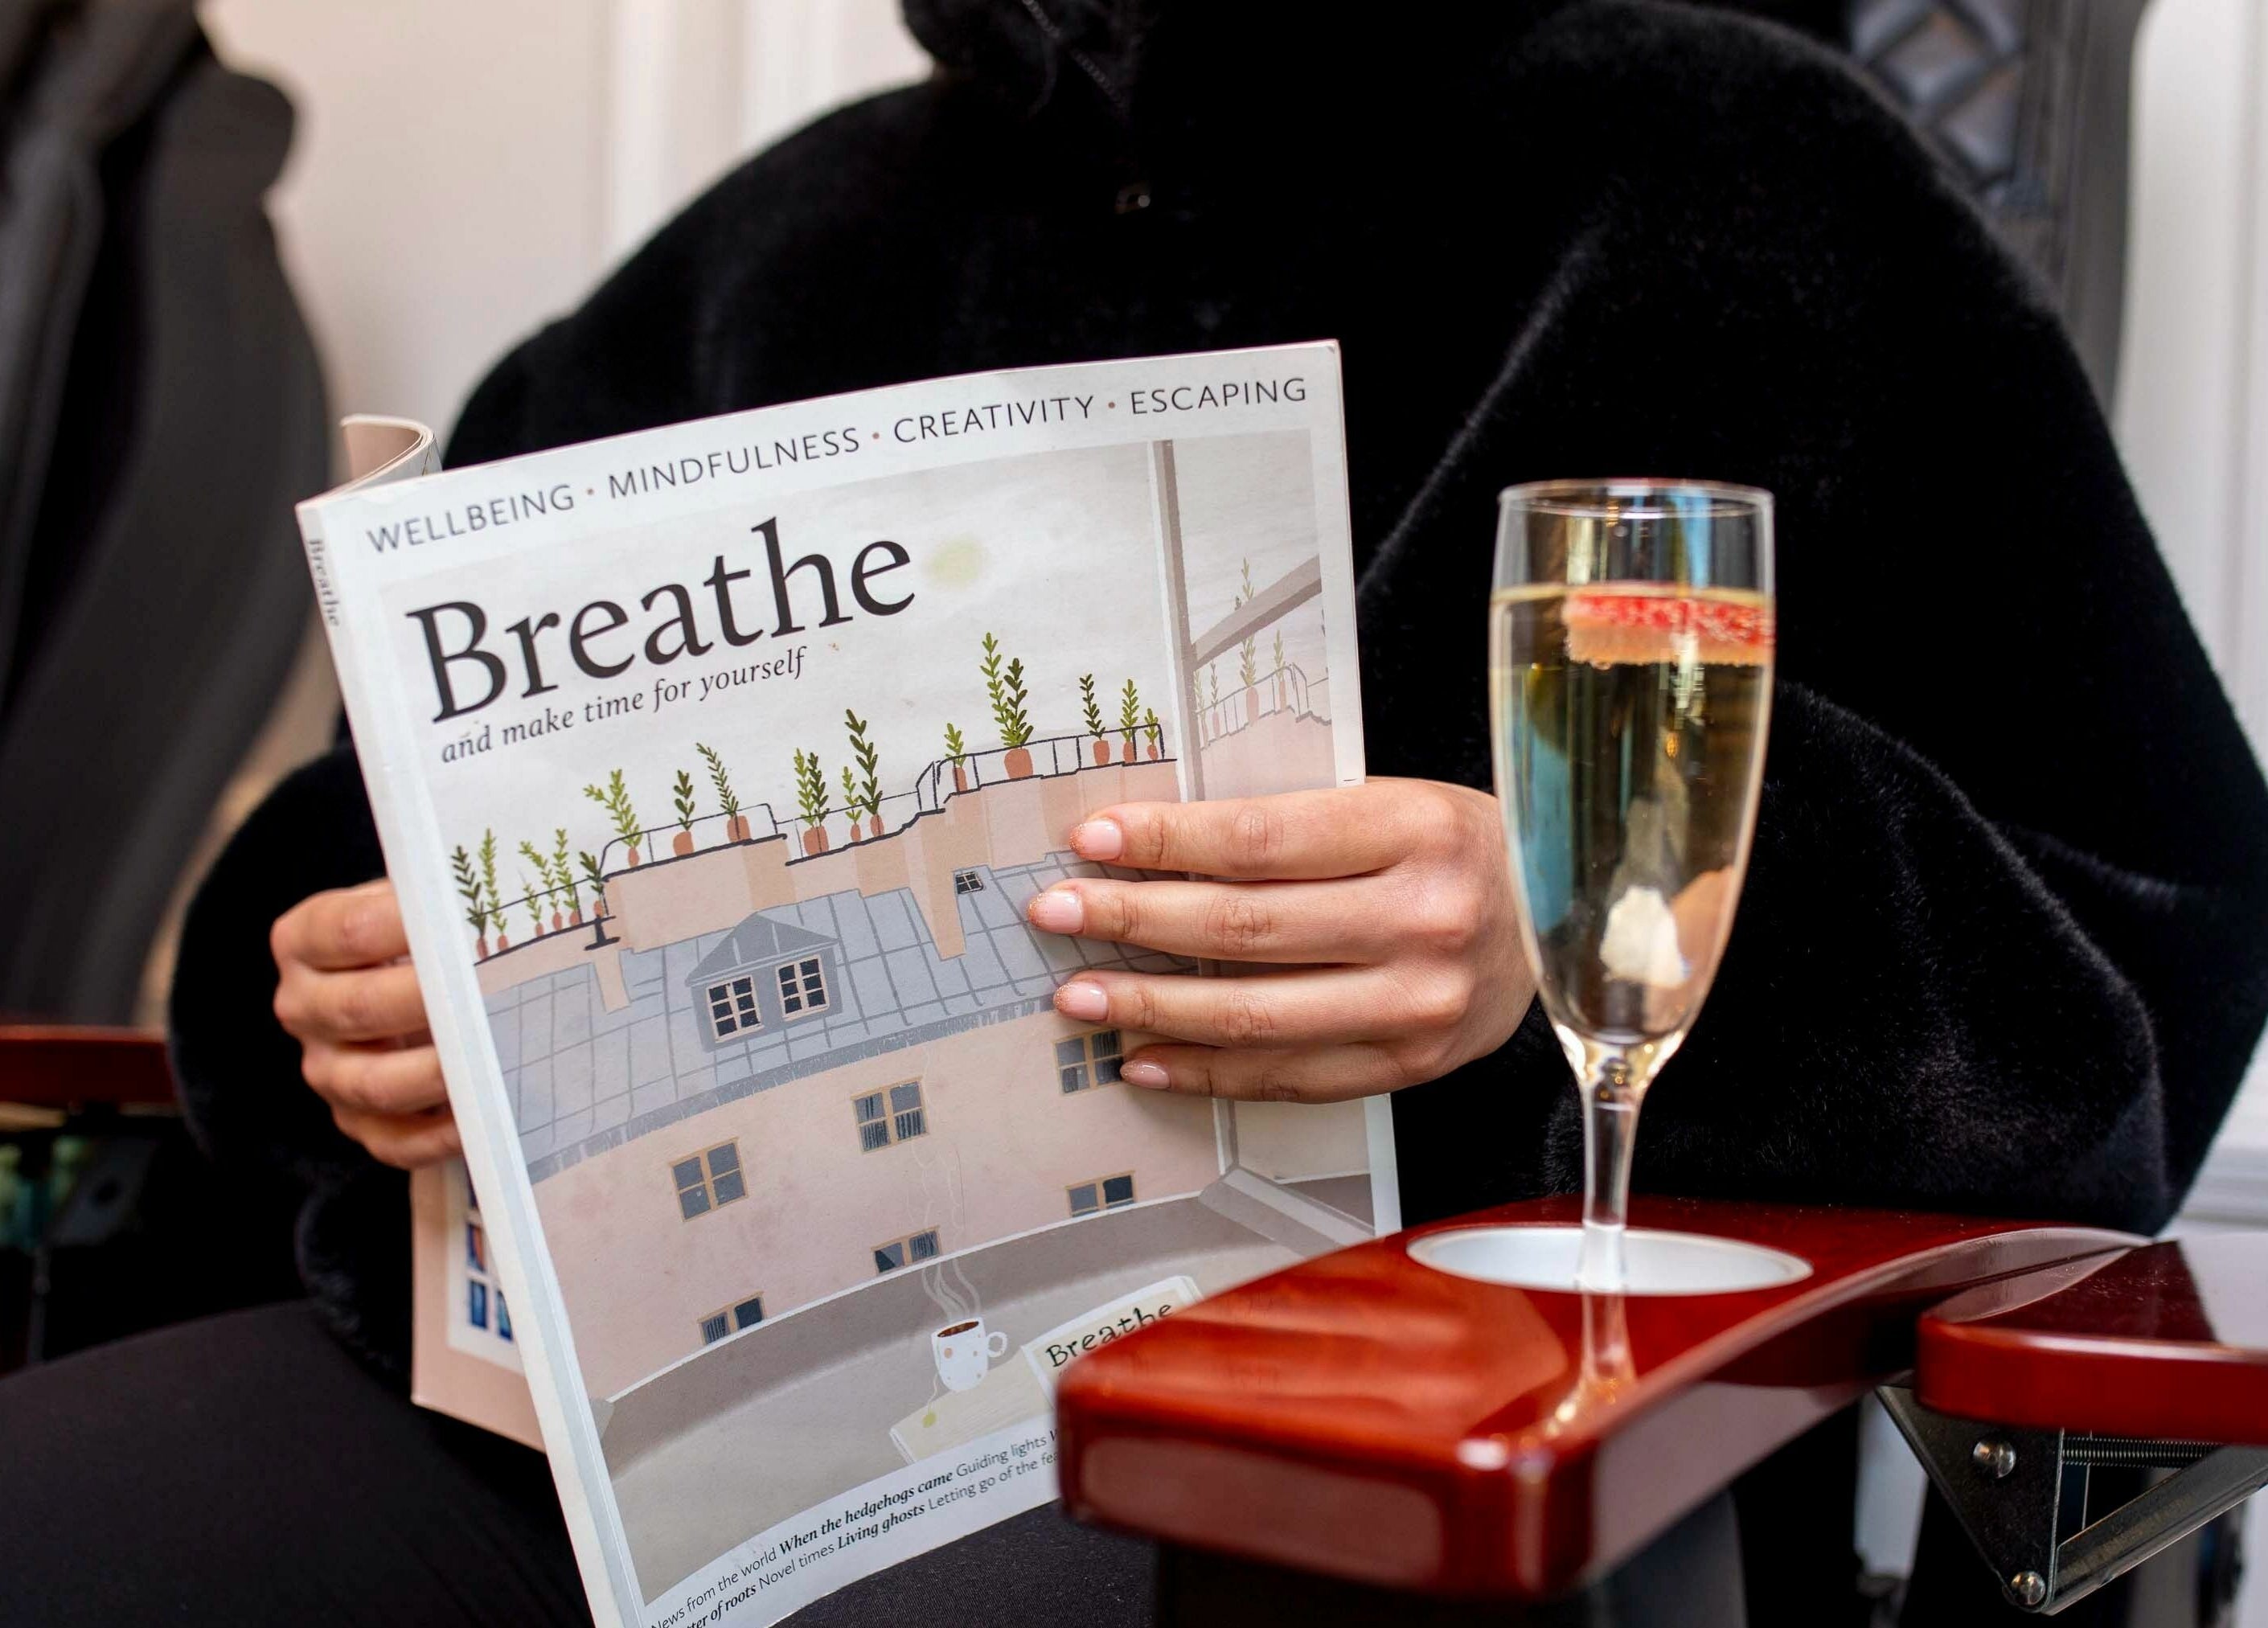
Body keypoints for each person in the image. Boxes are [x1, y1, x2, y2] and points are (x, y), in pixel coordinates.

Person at [6, 2, 2266, 1625]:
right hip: (597, 1429)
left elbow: (2151, 930)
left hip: (1340, 1446)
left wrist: (1562, 942)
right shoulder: (770, 253)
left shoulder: (1739, 168)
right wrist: (348, 962)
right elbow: (353, 822)